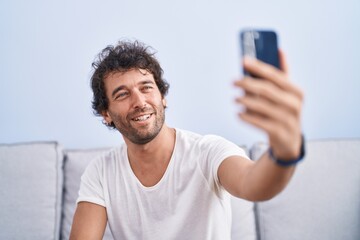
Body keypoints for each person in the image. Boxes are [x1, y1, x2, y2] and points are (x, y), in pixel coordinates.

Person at [70, 40, 304, 240]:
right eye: (122, 94)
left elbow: (254, 184)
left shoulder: (208, 151)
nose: (139, 101)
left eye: (147, 88)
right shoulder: (101, 172)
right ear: (106, 114)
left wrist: (284, 152)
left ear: (163, 98)